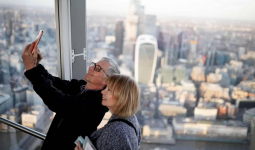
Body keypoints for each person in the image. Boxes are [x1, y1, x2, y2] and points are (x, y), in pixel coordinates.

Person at [21, 42, 120, 150]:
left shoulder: (96, 106)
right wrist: (36, 65)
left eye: (97, 68)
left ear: (107, 80)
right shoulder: (81, 87)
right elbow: (54, 83)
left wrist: (31, 70)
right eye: (93, 64)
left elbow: (59, 102)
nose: (91, 68)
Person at [75, 74, 141, 150]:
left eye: (109, 89)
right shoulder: (131, 119)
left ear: (122, 96)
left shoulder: (116, 132)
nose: (103, 92)